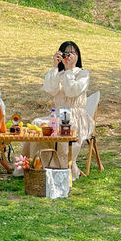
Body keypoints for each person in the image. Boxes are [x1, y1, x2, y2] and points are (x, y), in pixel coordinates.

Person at [18, 40, 95, 180]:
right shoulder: (58, 74)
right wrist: (55, 66)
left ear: (78, 56)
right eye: (66, 53)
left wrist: (70, 69)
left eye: (73, 53)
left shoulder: (83, 74)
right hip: (58, 114)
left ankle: (60, 167)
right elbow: (50, 89)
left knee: (62, 126)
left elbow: (72, 91)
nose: (69, 56)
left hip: (76, 116)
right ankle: (38, 165)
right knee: (37, 123)